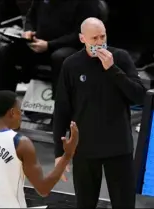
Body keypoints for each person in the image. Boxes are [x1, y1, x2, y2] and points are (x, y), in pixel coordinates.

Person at [53, 17, 147, 208]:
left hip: (118, 146)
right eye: (94, 38)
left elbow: (140, 96)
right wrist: (59, 153)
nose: (99, 42)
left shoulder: (120, 57)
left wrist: (113, 70)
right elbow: (62, 109)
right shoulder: (71, 65)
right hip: (85, 148)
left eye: (102, 37)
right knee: (85, 204)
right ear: (82, 39)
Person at [0, 0, 101, 98]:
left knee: (60, 57)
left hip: (72, 47)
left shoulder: (87, 3)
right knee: (5, 53)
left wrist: (49, 45)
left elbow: (82, 35)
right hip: (39, 44)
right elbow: (30, 18)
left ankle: (61, 111)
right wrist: (28, 31)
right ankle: (4, 104)